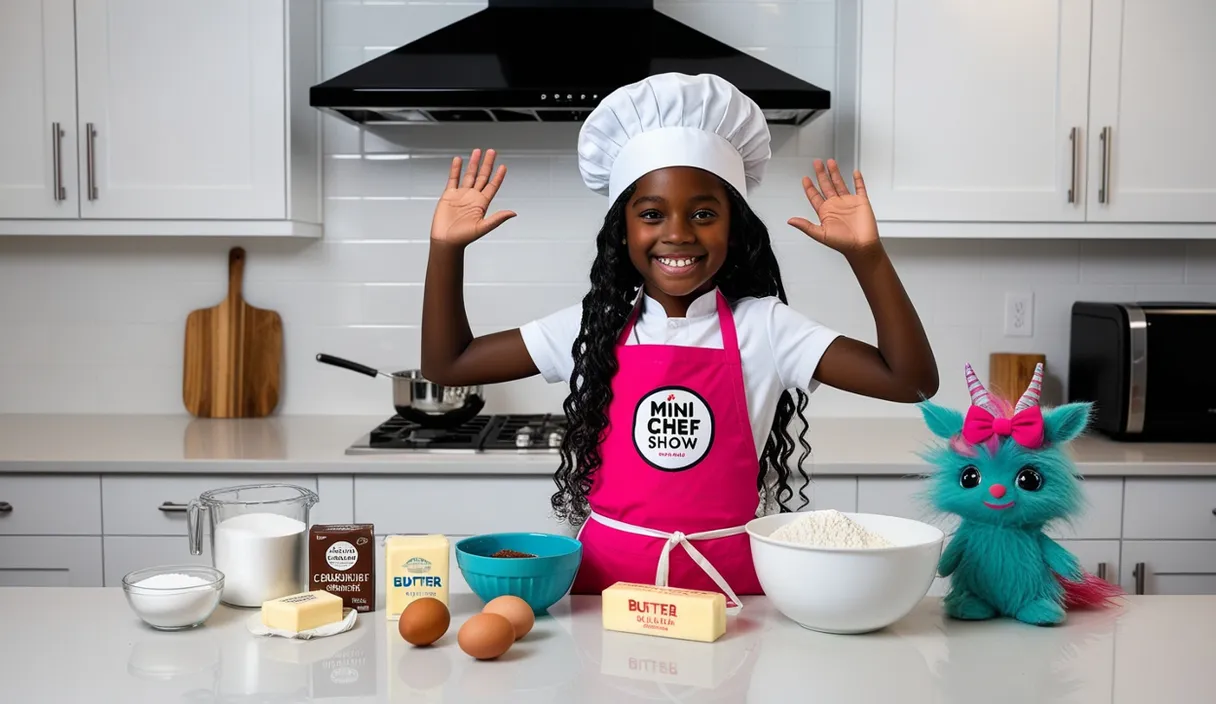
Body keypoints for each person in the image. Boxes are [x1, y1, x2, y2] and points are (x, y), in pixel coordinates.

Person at [421, 73, 937, 611]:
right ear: (622, 231)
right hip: (606, 601)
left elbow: (911, 381)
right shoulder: (592, 325)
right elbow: (449, 364)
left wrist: (867, 255)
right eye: (651, 214)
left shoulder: (767, 328)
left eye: (704, 214)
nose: (679, 233)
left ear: (734, 229)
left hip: (734, 600)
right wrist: (445, 249)